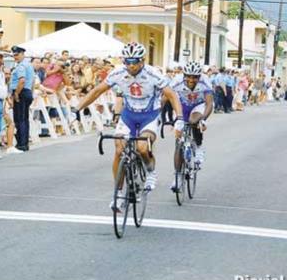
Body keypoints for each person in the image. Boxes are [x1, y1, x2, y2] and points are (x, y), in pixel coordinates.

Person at [76, 43, 183, 212]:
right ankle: (118, 195)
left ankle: (150, 171)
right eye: (127, 61)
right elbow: (97, 91)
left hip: (150, 115)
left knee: (142, 147)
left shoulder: (153, 73)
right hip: (129, 115)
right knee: (119, 149)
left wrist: (180, 118)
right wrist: (77, 109)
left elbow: (171, 95)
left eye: (135, 61)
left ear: (142, 60)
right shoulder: (118, 73)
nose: (131, 65)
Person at [169, 61, 214, 191]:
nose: (191, 80)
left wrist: (203, 119)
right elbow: (166, 98)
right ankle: (178, 176)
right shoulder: (176, 81)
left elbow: (209, 103)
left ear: (199, 76)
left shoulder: (205, 81)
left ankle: (198, 147)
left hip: (198, 106)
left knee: (193, 120)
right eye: (188, 76)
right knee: (179, 143)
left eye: (195, 77)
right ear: (184, 75)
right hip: (182, 106)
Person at [9, 46, 33, 152]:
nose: (15, 57)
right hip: (27, 91)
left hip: (21, 92)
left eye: (17, 55)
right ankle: (25, 143)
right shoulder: (28, 65)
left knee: (19, 119)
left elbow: (22, 80)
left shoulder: (21, 66)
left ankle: (21, 144)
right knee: (25, 119)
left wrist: (16, 93)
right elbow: (32, 81)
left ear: (23, 54)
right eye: (14, 55)